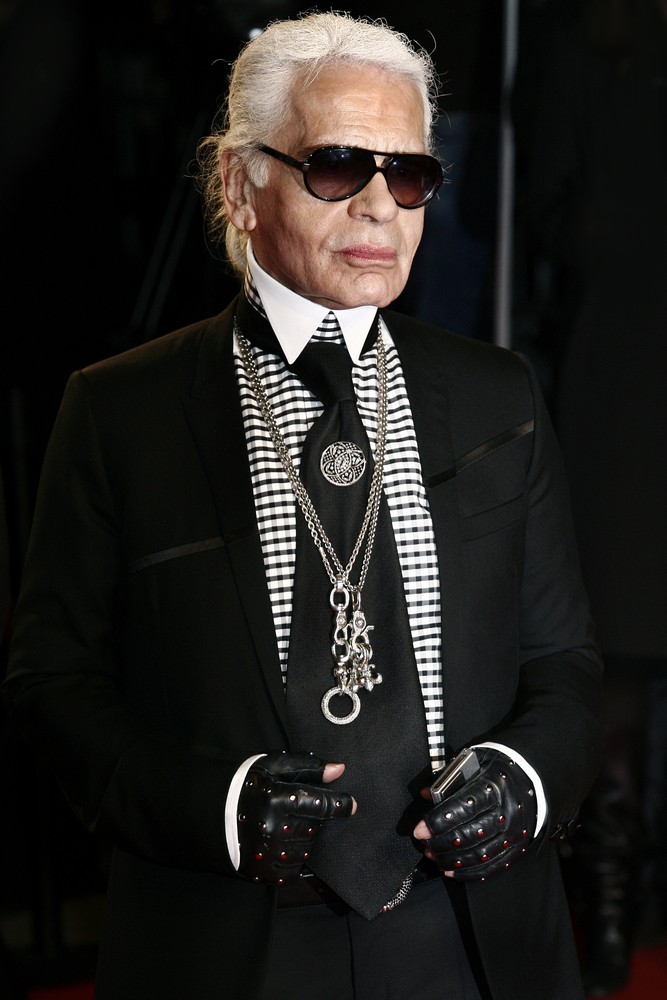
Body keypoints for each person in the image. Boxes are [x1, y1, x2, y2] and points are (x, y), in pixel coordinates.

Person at [3, 11, 604, 1000]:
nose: (378, 207)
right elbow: (53, 684)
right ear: (240, 186)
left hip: (477, 938)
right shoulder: (120, 412)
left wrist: (524, 778)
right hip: (227, 942)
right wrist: (217, 805)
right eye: (336, 166)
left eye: (408, 175)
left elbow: (565, 664)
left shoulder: (499, 395)